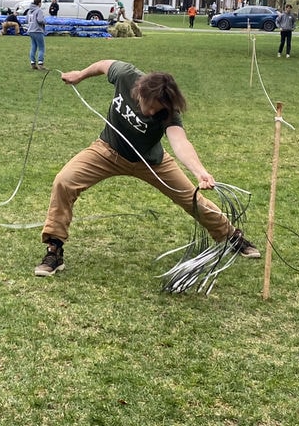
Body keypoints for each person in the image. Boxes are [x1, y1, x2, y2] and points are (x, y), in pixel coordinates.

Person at [34, 59, 260, 277]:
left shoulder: (168, 111)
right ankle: (54, 249)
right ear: (140, 92)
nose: (152, 112)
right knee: (64, 181)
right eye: (150, 106)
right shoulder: (125, 75)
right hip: (107, 151)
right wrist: (80, 75)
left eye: (157, 109)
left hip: (151, 162)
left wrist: (200, 171)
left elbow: (180, 142)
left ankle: (232, 237)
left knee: (192, 199)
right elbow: (104, 64)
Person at [26, 0, 46, 69]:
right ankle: (40, 63)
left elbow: (26, 20)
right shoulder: (39, 10)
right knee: (41, 48)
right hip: (37, 30)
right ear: (39, 3)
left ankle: (33, 63)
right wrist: (45, 21)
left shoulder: (29, 11)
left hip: (30, 30)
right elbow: (40, 20)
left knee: (33, 47)